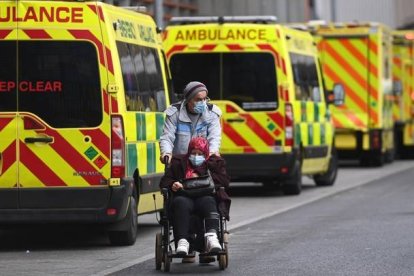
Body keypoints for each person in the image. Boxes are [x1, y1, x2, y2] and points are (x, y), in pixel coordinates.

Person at [159, 137, 230, 259]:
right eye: (193, 153)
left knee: (209, 201)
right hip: (184, 197)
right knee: (180, 203)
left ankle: (211, 237)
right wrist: (173, 184)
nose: (196, 156)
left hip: (204, 196)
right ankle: (182, 241)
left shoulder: (213, 163)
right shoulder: (178, 162)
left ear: (206, 153)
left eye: (200, 154)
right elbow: (165, 181)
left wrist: (201, 176)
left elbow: (224, 181)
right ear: (189, 151)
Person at [159, 81, 222, 163]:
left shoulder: (212, 114)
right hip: (179, 164)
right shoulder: (175, 113)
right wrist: (166, 153)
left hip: (203, 163)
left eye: (204, 99)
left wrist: (213, 153)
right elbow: (167, 137)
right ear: (188, 100)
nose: (203, 103)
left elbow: (214, 137)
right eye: (198, 99)